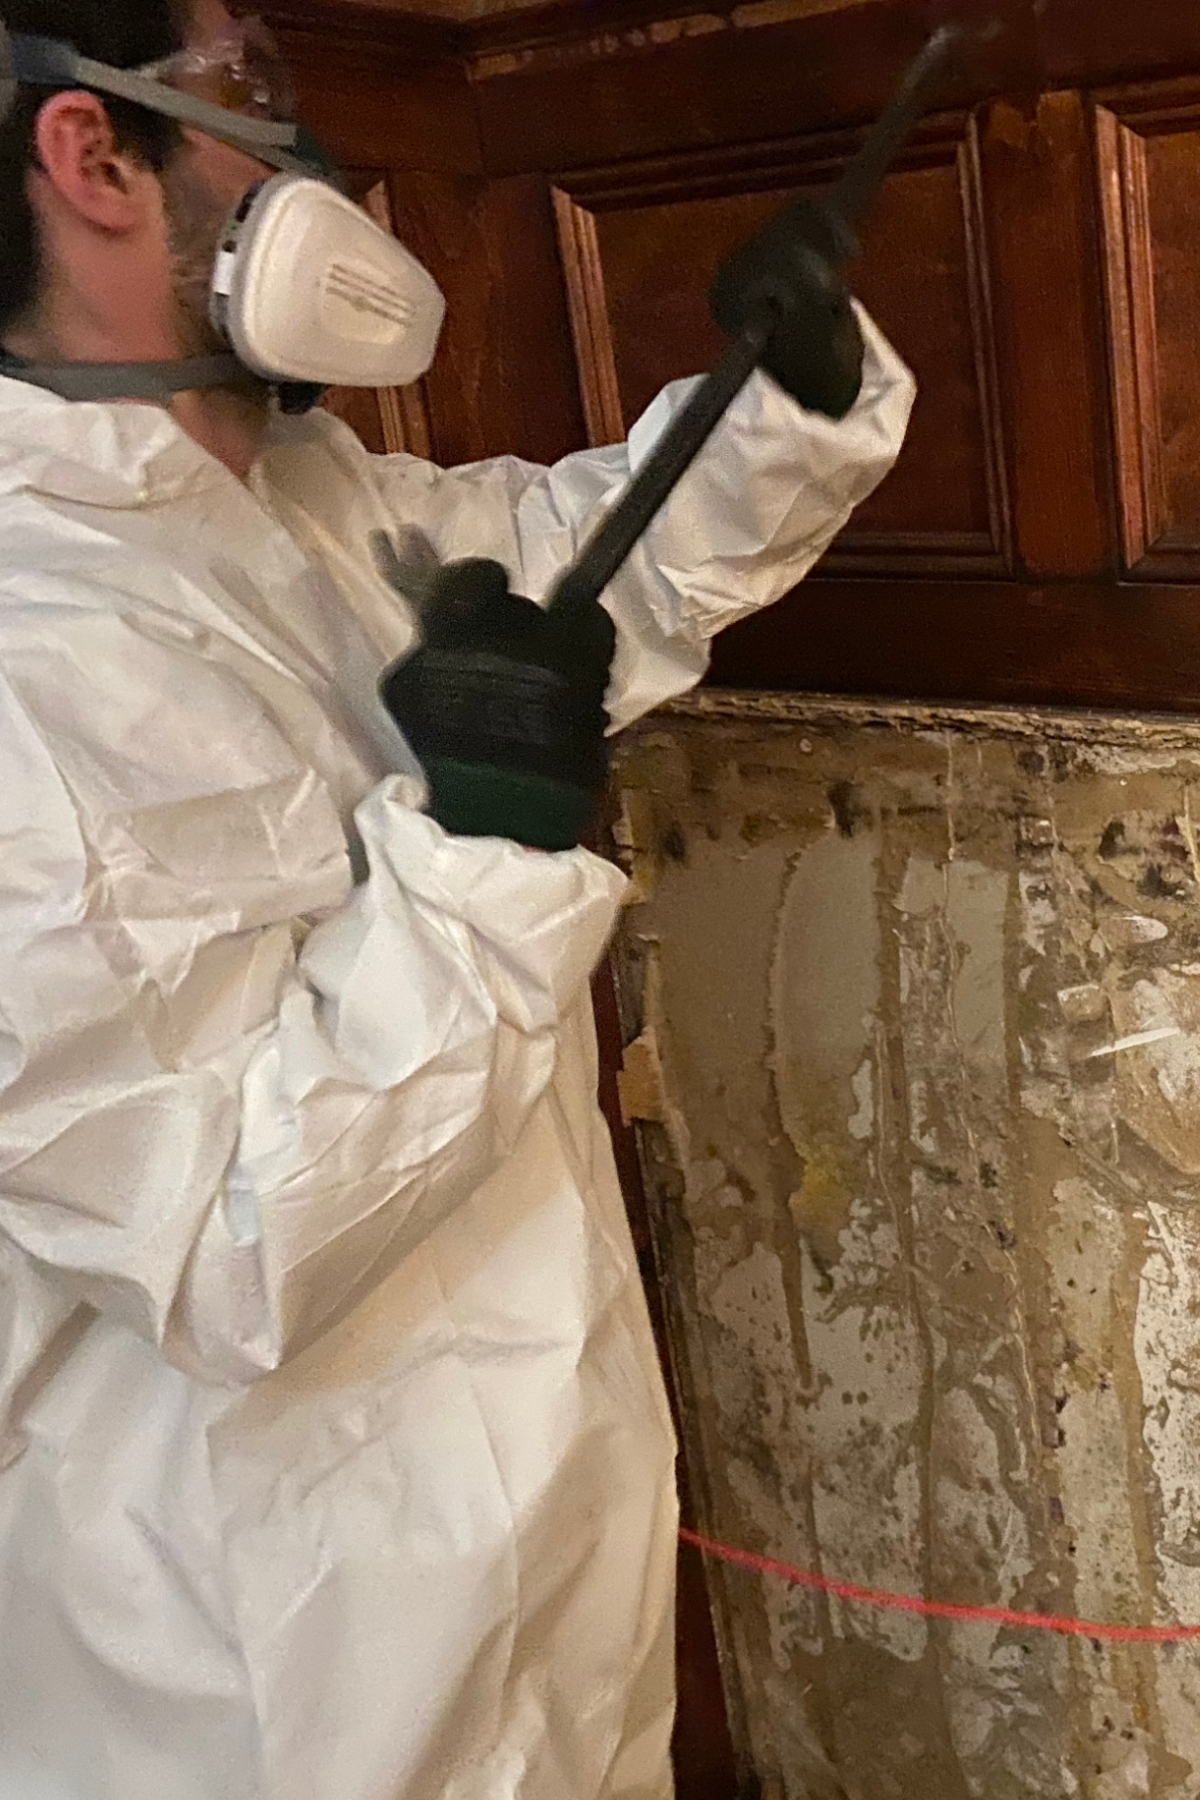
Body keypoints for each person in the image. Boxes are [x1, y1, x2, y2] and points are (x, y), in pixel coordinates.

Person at [0, 2, 915, 1797]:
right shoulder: (38, 655)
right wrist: (496, 839)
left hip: (520, 1514)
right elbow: (231, 1240)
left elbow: (586, 569)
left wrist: (773, 405)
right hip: (267, 1648)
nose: (309, 164)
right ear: (94, 155)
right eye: (251, 106)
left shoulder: (301, 506)